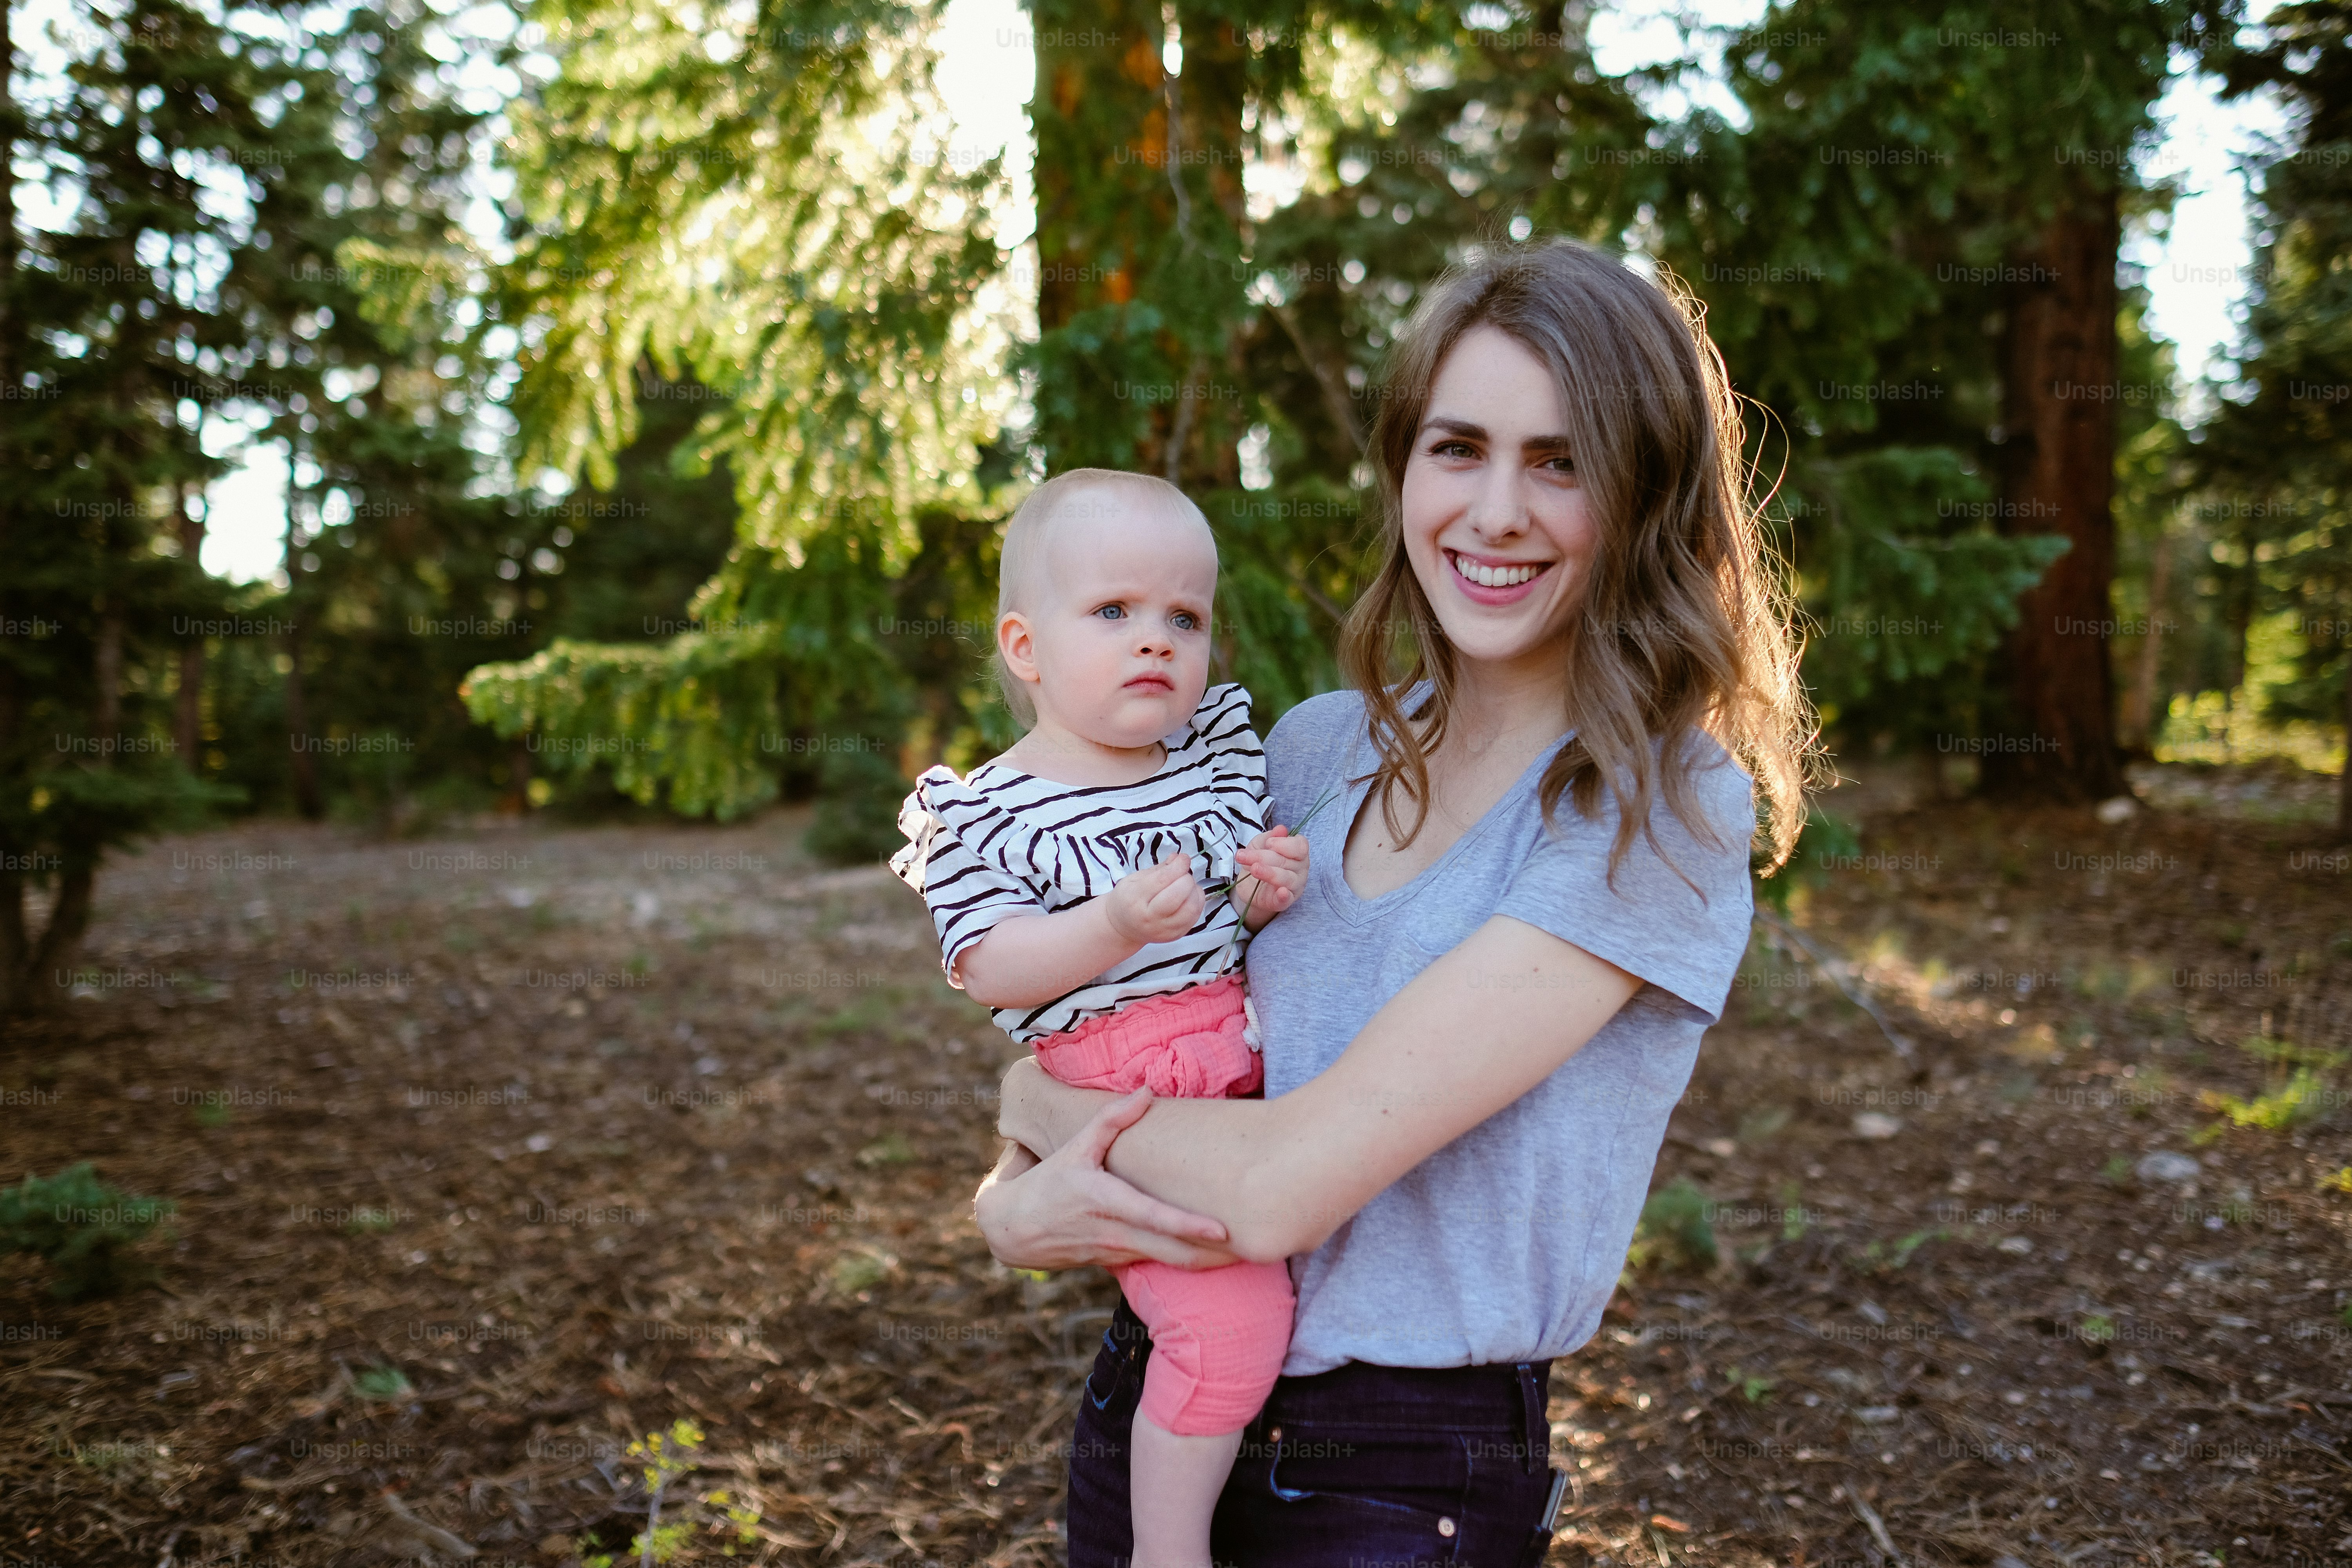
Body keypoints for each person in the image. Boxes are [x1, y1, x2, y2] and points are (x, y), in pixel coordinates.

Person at [972, 236, 1813, 1567]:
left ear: (1646, 493)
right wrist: (1010, 1194)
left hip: (1398, 1482)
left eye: (1562, 460)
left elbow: (1289, 1185)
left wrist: (1033, 1113)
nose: (1494, 512)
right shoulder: (1305, 752)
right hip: (1152, 1407)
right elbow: (1122, 1021)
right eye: (1457, 447)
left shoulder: (1652, 807)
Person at [889, 468, 1312, 1568]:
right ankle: (1167, 1551)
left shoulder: (1208, 770)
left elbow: (1237, 928)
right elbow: (989, 966)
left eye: (1184, 617)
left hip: (1239, 1069)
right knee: (1230, 1327)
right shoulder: (993, 811)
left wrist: (1265, 891)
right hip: (1128, 1097)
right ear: (1026, 649)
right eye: (1115, 612)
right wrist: (1109, 924)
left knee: (1265, 1294)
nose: (1156, 641)